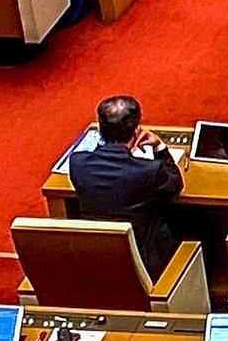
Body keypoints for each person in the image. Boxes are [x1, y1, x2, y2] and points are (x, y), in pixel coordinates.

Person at [64, 97, 187, 267]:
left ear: (100, 129)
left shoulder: (77, 163)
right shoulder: (149, 170)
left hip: (98, 258)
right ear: (136, 130)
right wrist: (160, 147)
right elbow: (175, 185)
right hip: (147, 262)